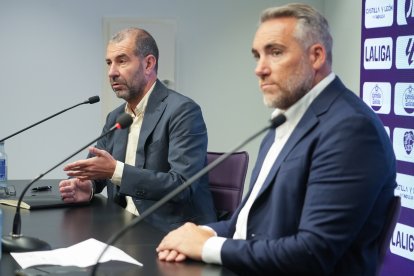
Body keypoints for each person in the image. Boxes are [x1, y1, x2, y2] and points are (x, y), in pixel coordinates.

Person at [156, 3, 397, 275]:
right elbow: (247, 224)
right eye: (257, 56)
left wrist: (207, 247)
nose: (259, 69)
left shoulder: (351, 129)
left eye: (275, 52)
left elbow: (312, 253)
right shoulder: (285, 118)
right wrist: (199, 232)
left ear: (316, 56)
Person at [59, 27, 217, 232]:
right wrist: (86, 187)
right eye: (109, 63)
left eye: (122, 60)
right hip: (121, 226)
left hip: (171, 231)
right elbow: (98, 171)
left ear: (148, 64)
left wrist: (115, 171)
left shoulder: (182, 111)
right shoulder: (116, 117)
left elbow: (182, 186)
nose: (112, 72)